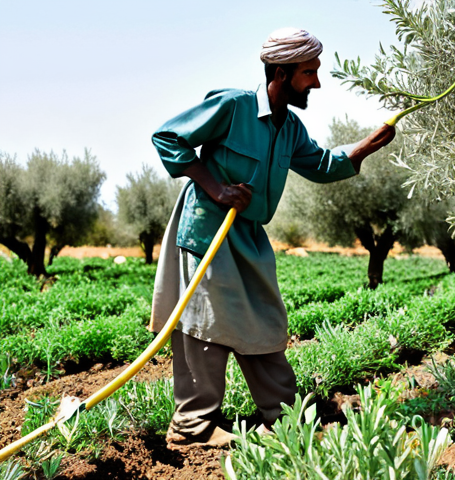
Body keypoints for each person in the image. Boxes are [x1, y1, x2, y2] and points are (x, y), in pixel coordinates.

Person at [149, 27, 395, 448]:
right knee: (205, 325)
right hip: (209, 230)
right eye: (308, 73)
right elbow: (168, 138)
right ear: (280, 73)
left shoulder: (290, 127)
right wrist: (217, 188)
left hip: (248, 236)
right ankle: (193, 427)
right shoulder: (233, 106)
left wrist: (367, 146)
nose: (316, 82)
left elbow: (320, 164)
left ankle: (283, 417)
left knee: (264, 320)